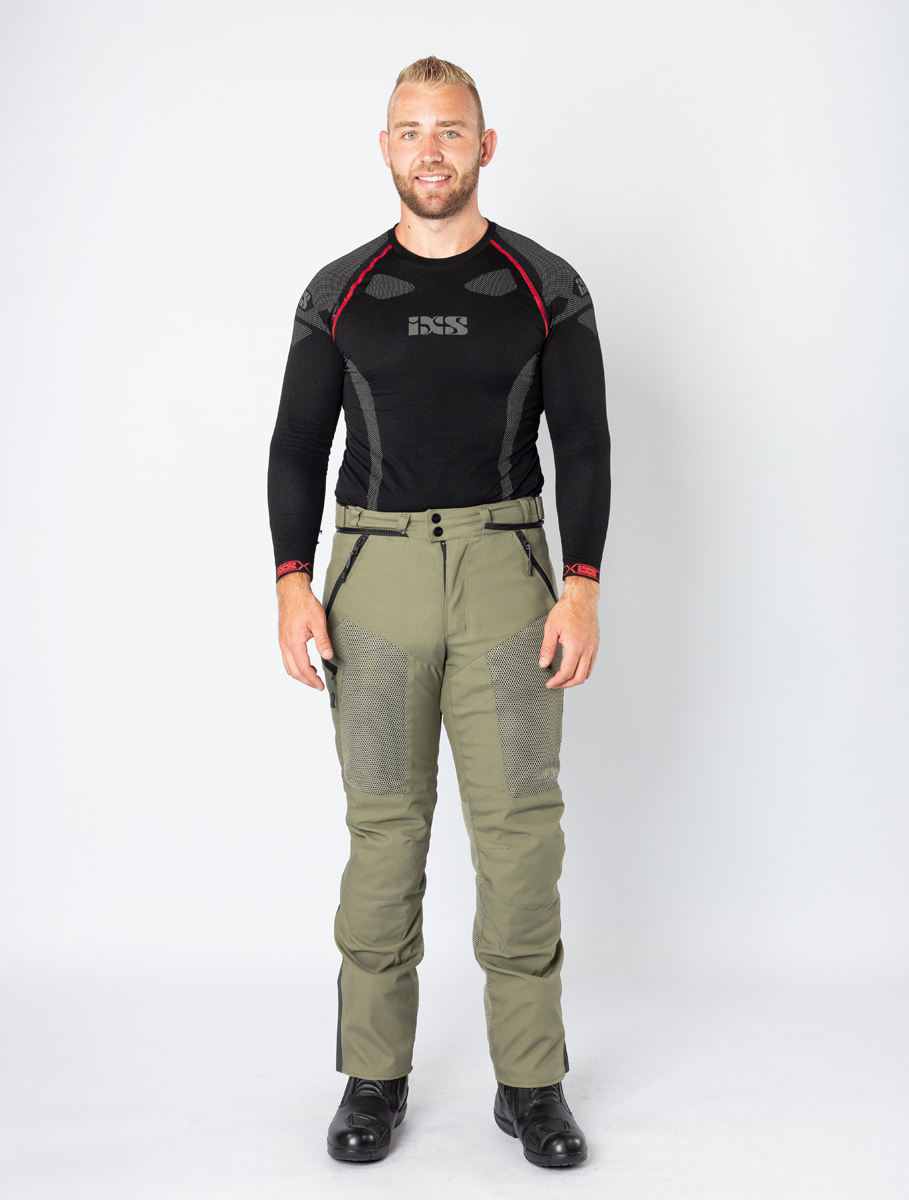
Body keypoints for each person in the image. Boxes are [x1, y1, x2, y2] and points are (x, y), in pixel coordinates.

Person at [266, 55, 610, 1169]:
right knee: (384, 837)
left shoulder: (544, 284)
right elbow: (296, 446)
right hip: (374, 581)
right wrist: (291, 580)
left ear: (485, 146)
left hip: (510, 576)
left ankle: (532, 1083)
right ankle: (374, 1075)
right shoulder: (341, 290)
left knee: (521, 837)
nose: (431, 150)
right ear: (385, 148)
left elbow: (585, 443)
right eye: (411, 131)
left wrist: (582, 585)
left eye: (451, 131)